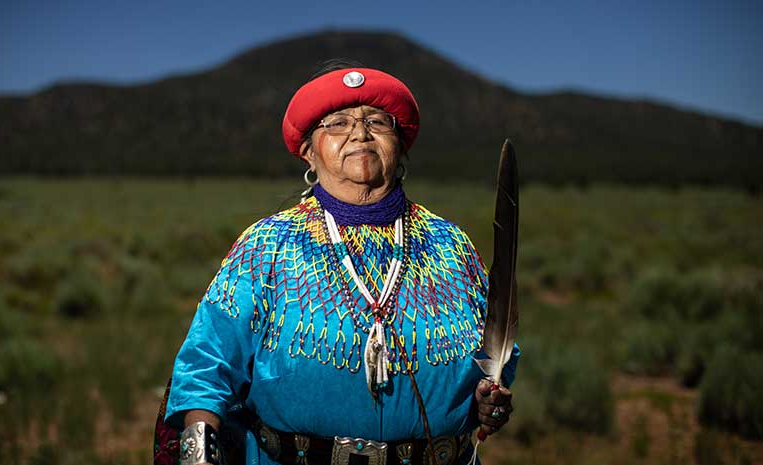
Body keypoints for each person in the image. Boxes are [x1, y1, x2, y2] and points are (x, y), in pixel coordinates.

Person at [155, 62, 520, 465]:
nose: (359, 133)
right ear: (309, 152)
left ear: (400, 146)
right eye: (337, 123)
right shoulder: (267, 246)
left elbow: (496, 356)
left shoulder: (451, 245)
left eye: (378, 122)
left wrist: (489, 399)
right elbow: (207, 366)